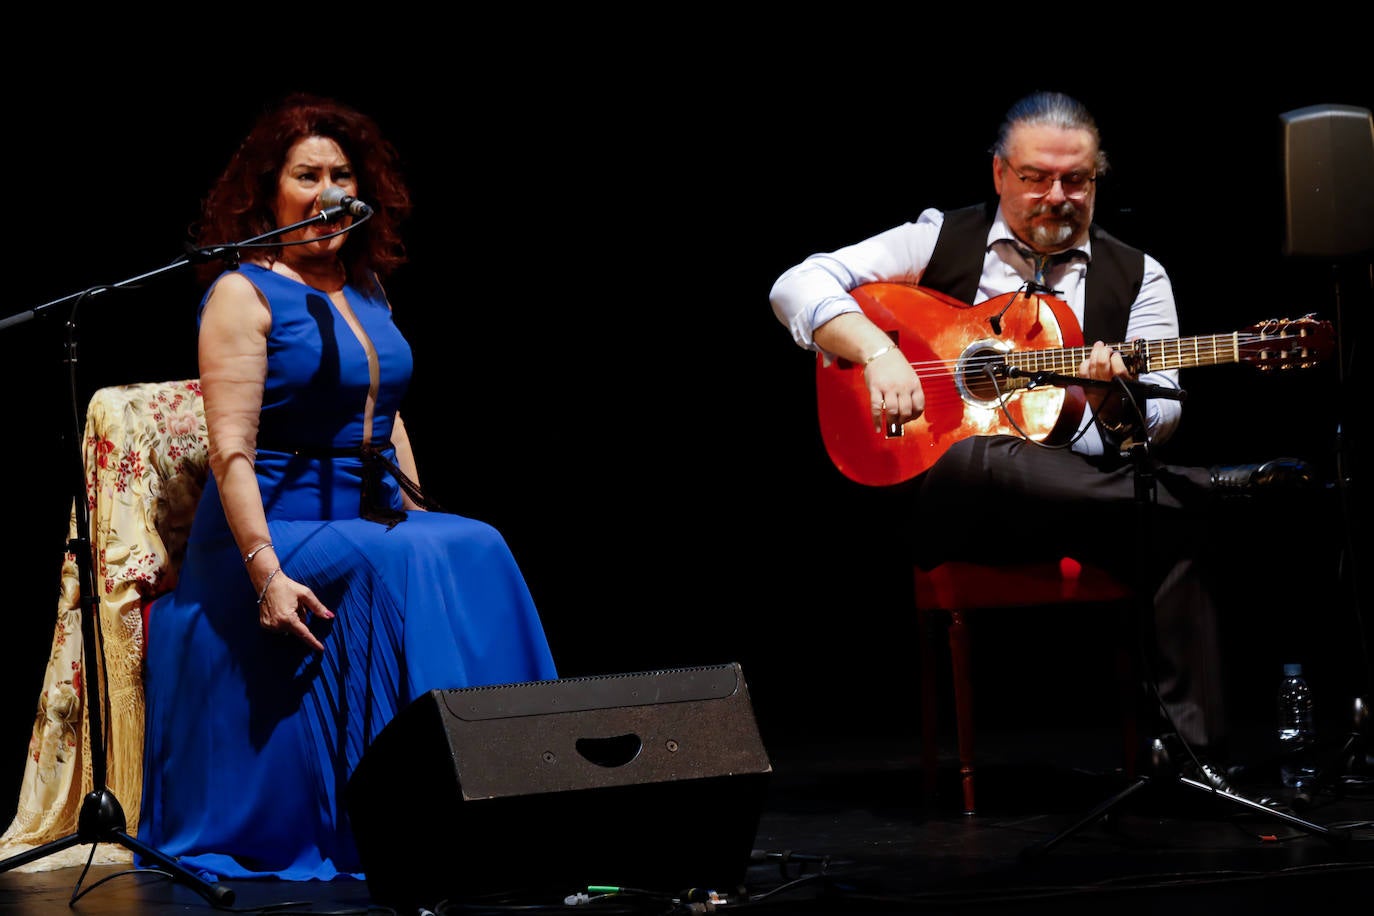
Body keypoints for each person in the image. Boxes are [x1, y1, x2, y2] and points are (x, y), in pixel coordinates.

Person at [768, 90, 1314, 801]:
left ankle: (1199, 772)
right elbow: (796, 282)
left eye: (1076, 180)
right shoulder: (940, 240)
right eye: (1035, 177)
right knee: (987, 457)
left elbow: (1161, 421)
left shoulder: (1139, 277)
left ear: (1096, 181)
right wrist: (876, 350)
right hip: (950, 502)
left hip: (1077, 501)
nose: (1055, 196)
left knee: (1171, 522)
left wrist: (1112, 399)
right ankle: (1212, 486)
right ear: (1000, 175)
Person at [138, 92, 559, 882]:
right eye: (307, 175)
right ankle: (419, 819)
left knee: (475, 543)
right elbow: (230, 453)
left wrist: (420, 511)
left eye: (341, 174)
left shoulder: (365, 288)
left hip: (366, 510)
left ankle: (522, 801)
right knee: (405, 565)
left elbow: (389, 418)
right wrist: (265, 573)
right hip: (265, 532)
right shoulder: (243, 292)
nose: (328, 191)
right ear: (269, 191)